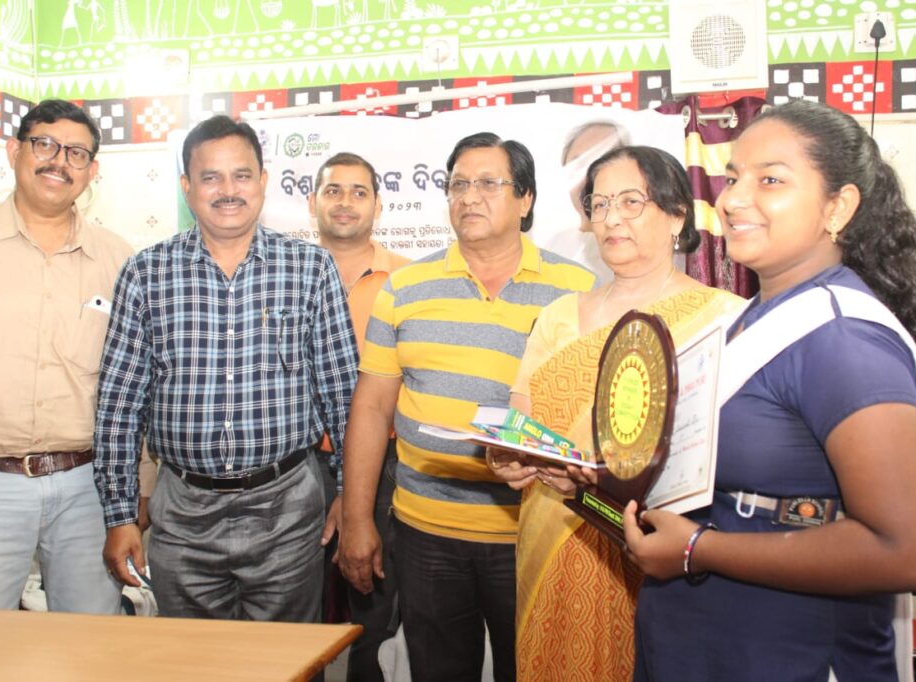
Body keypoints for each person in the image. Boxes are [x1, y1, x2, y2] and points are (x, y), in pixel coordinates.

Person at [622, 100, 916, 681]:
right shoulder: (746, 318)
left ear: (838, 207)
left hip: (789, 654)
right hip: (702, 645)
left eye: (770, 180)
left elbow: (914, 552)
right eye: (732, 179)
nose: (732, 200)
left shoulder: (843, 339)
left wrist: (699, 550)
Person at [338, 132, 596, 681]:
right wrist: (357, 520)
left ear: (525, 199)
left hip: (535, 531)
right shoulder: (405, 287)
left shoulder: (579, 290)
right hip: (426, 532)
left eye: (488, 183)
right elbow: (372, 408)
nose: (469, 196)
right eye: (458, 185)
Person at [489, 145, 744, 681]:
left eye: (631, 202)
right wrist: (504, 454)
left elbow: (731, 452)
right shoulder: (559, 315)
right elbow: (521, 416)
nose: (610, 218)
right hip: (553, 529)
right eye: (600, 204)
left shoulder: (723, 318)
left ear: (676, 215)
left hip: (659, 545)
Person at [93, 115, 359, 623]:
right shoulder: (146, 273)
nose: (228, 190)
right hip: (182, 516)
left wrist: (351, 494)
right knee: (194, 658)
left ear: (263, 181)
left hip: (287, 510)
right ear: (187, 186)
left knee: (286, 657)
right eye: (210, 177)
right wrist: (120, 515)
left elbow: (343, 396)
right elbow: (119, 405)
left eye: (241, 175)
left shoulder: (310, 268)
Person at [0, 99, 132, 613]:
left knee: (90, 640)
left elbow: (137, 381)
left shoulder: (119, 259)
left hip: (88, 488)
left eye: (76, 153)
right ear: (14, 151)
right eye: (45, 144)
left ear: (92, 171)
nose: (59, 161)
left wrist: (137, 491)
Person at [310, 151, 409, 681]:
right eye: (333, 190)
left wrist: (356, 492)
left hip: (387, 464)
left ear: (378, 205)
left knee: (374, 604)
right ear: (312, 202)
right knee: (298, 610)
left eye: (358, 191)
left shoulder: (408, 280)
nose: (345, 202)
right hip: (300, 465)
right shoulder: (286, 275)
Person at [535, 120, 629, 280]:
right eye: (578, 166)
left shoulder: (652, 246)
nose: (587, 179)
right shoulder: (556, 248)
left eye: (601, 163)